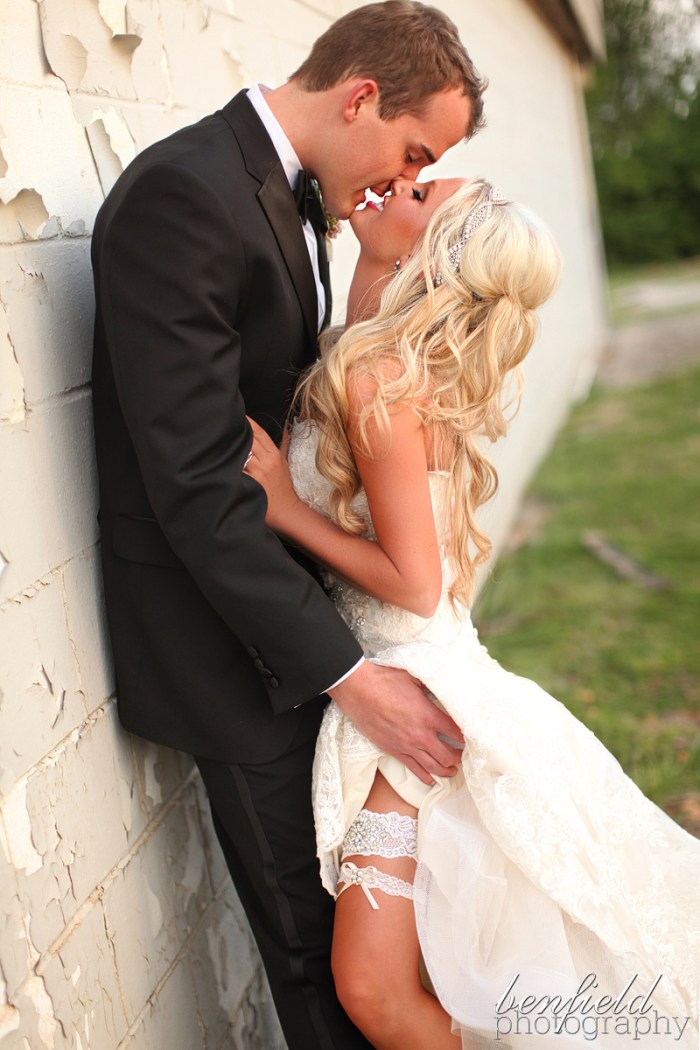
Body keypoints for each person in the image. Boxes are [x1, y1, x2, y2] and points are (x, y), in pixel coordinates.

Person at [90, 3, 486, 1047]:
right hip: (235, 655)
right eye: (410, 153)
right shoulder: (187, 195)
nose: (401, 185)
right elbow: (199, 482)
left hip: (313, 640)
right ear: (358, 95)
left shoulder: (303, 203)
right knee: (325, 972)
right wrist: (354, 683)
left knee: (395, 950)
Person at [244, 176, 700, 1050]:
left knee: (376, 988)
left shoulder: (382, 378)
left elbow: (414, 585)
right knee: (462, 975)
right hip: (417, 664)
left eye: (417, 190)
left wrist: (281, 507)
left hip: (413, 688)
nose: (390, 186)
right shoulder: (378, 356)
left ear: (431, 251)